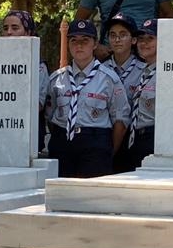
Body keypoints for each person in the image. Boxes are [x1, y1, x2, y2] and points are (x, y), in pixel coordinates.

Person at [45, 18, 130, 177]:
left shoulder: (109, 79)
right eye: (74, 40)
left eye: (85, 40)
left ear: (95, 44)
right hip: (62, 143)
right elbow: (50, 115)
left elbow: (121, 120)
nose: (79, 45)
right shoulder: (57, 78)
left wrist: (108, 150)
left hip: (96, 144)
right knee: (61, 189)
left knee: (92, 191)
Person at [1, 9, 51, 152]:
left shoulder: (39, 66)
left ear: (28, 32)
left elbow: (37, 105)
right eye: (5, 28)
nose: (9, 32)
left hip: (27, 138)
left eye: (15, 28)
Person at [117, 18, 160, 172]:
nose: (144, 43)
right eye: (141, 39)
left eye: (150, 38)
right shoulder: (142, 72)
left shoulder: (166, 74)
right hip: (134, 137)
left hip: (153, 138)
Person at [105, 13, 146, 101]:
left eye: (123, 35)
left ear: (134, 40)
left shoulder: (144, 71)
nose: (117, 40)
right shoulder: (101, 69)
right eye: (113, 35)